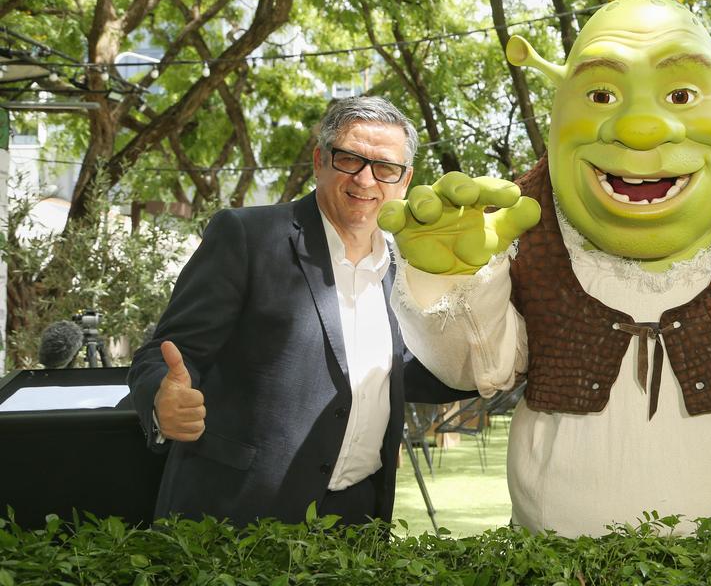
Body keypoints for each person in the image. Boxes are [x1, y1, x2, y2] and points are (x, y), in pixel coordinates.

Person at [381, 0, 711, 536]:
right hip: (566, 559)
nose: (641, 129)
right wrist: (450, 278)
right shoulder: (516, 218)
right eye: (602, 94)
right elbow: (477, 367)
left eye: (680, 94)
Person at [127, 96, 474, 527]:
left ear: (405, 180)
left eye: (385, 167)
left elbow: (404, 372)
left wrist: (492, 364)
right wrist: (162, 400)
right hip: (236, 517)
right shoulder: (247, 237)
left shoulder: (404, 267)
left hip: (357, 518)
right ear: (320, 160)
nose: (366, 180)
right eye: (350, 159)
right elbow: (164, 353)